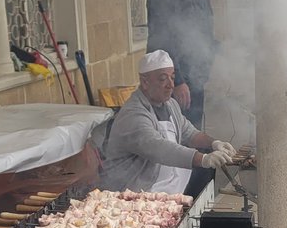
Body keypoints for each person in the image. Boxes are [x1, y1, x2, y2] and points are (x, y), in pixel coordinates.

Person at [100, 50, 234, 194]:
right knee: (202, 166)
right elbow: (159, 149)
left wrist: (215, 143)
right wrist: (203, 159)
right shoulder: (133, 114)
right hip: (138, 192)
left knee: (205, 176)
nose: (171, 85)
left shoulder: (170, 104)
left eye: (172, 77)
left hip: (170, 185)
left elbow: (188, 132)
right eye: (163, 79)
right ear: (145, 82)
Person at [146, 0, 220, 127]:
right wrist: (176, 81)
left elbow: (202, 34)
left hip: (194, 77)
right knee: (175, 135)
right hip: (171, 80)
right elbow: (163, 39)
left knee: (193, 132)